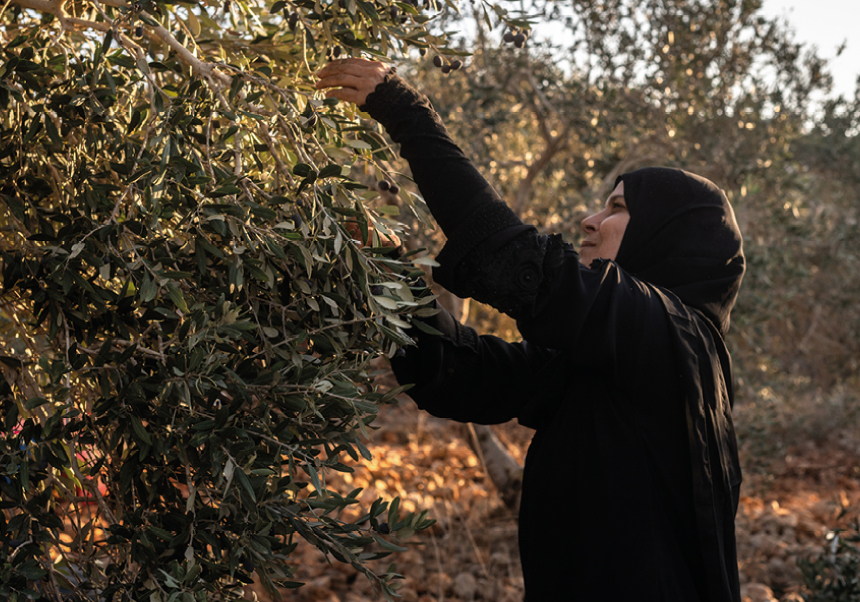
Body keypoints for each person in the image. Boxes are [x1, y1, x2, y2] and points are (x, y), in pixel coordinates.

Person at [316, 58, 744, 602]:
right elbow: (458, 370)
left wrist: (405, 111)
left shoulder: (674, 336)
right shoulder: (609, 359)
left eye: (617, 209)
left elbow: (513, 257)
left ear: (668, 236)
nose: (590, 220)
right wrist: (387, 270)